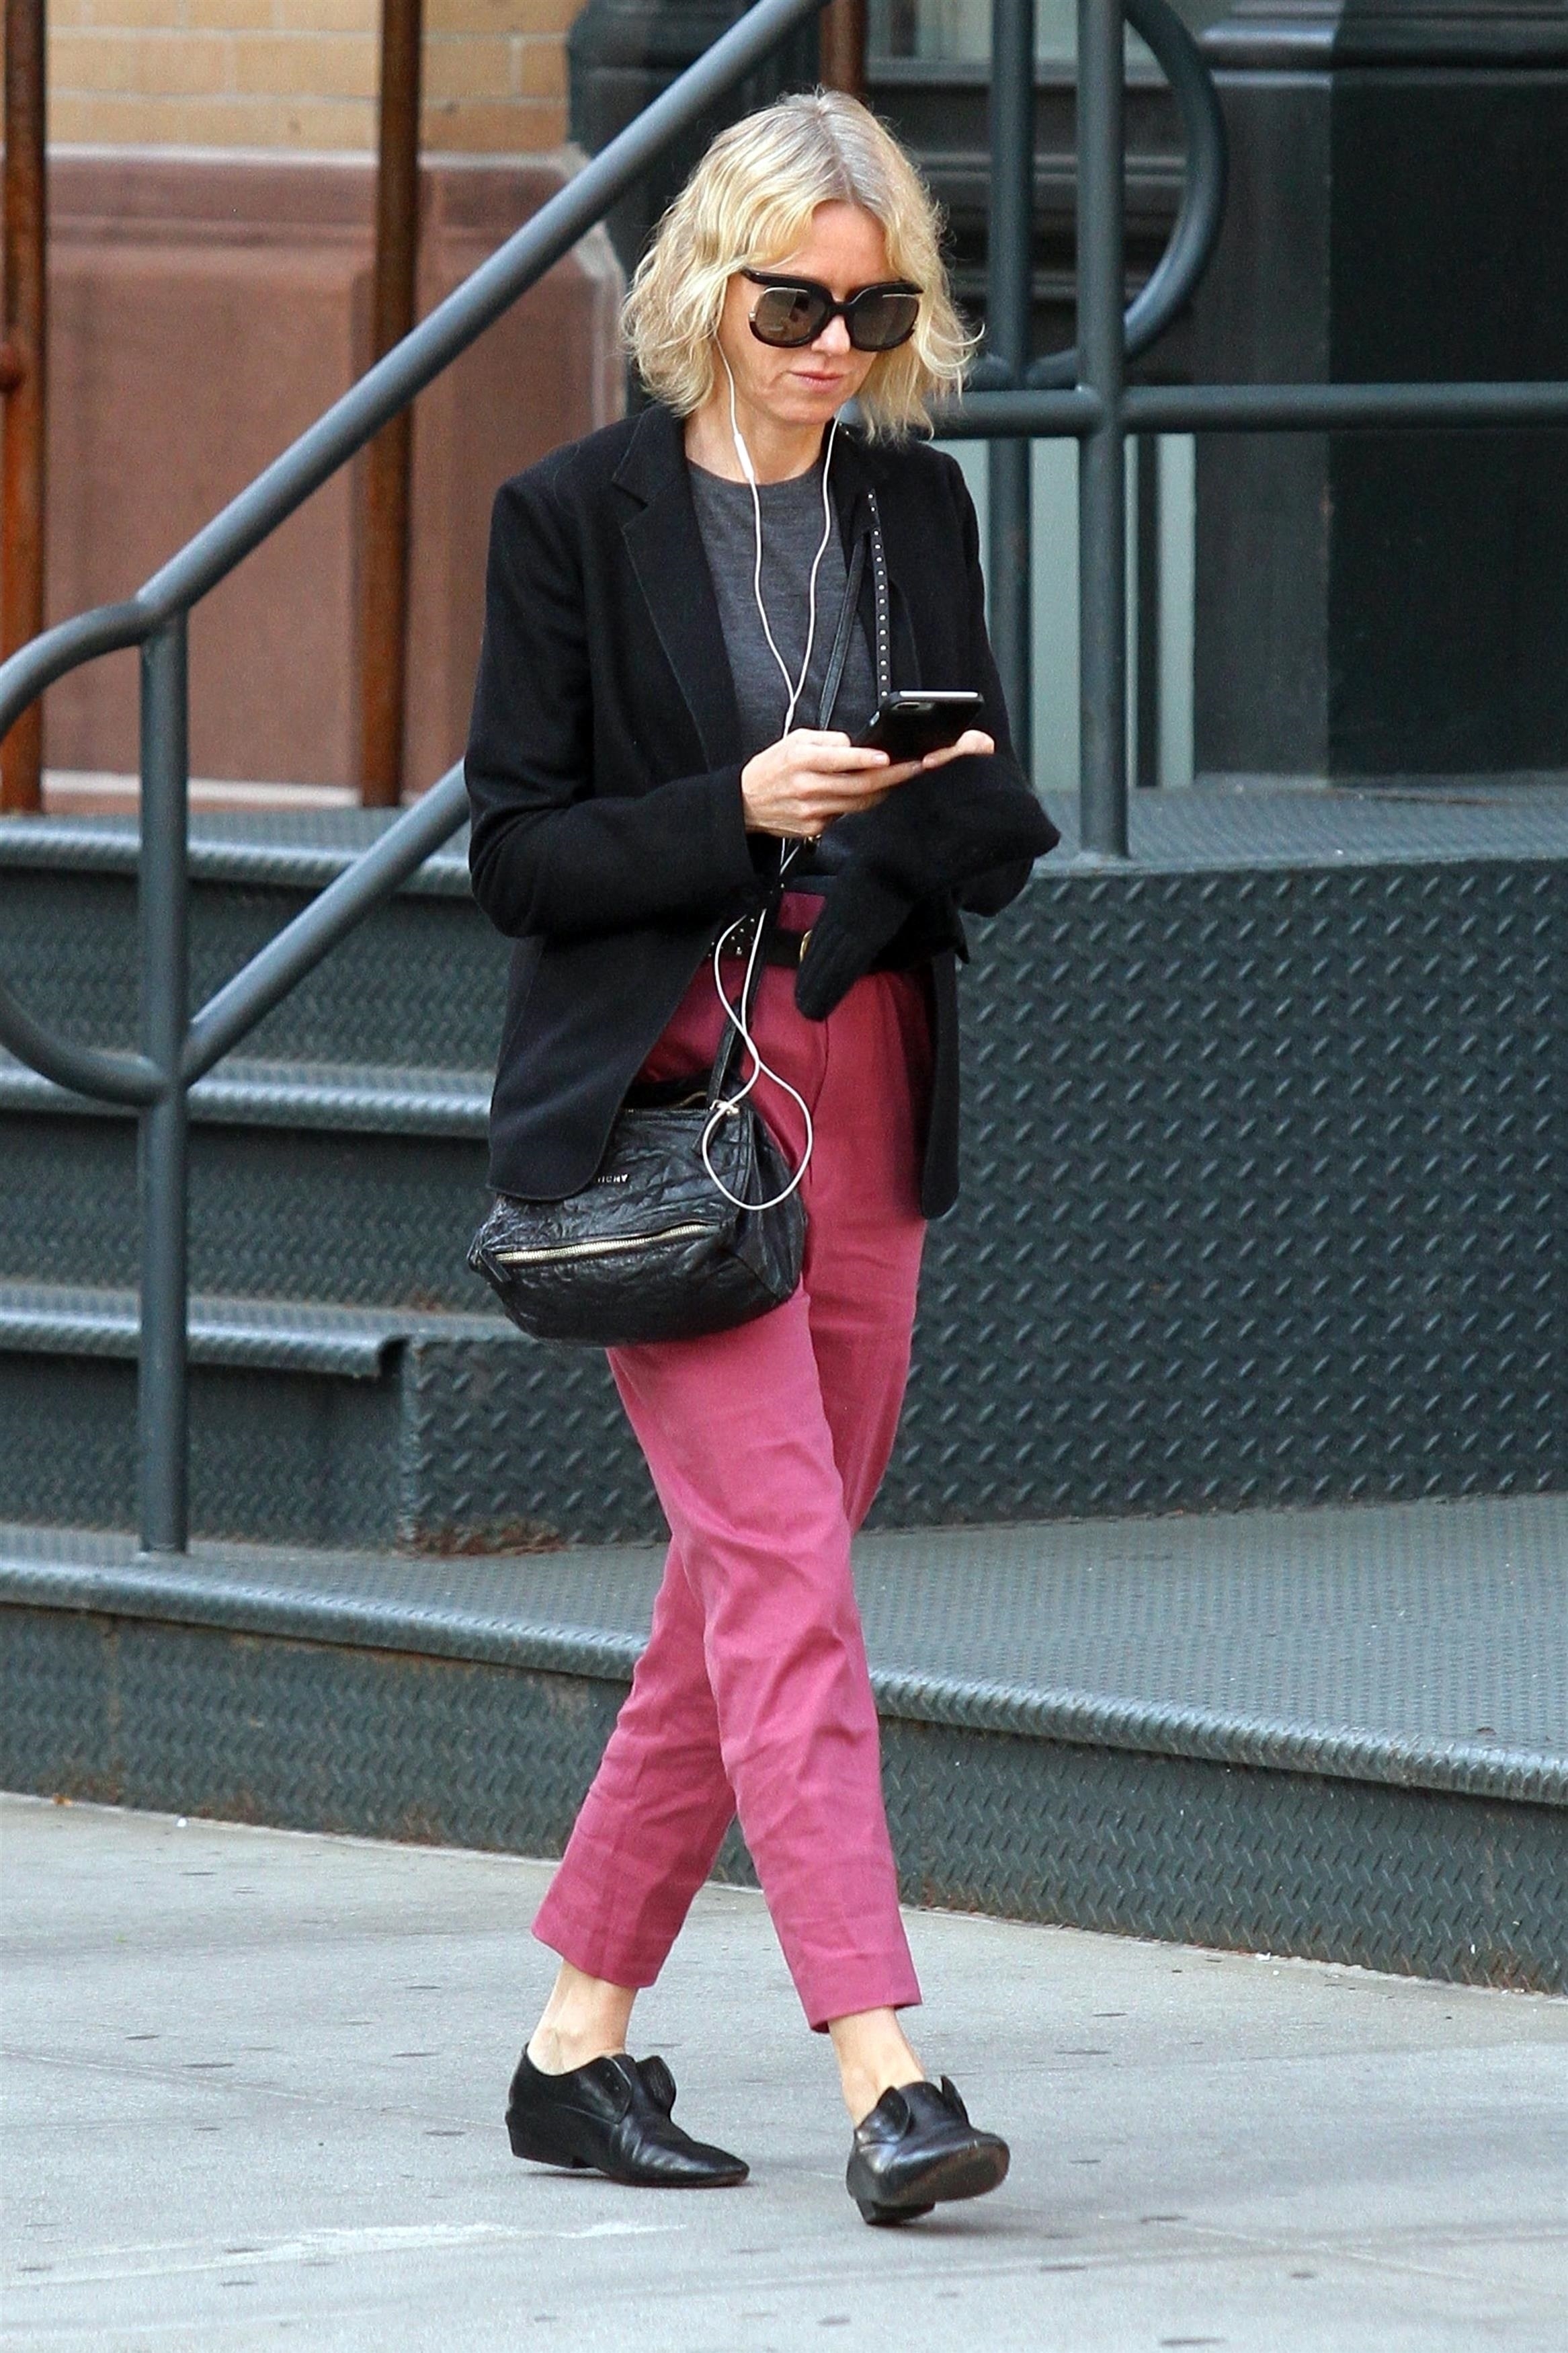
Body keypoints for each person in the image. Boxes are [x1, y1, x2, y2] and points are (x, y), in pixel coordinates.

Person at [464, 88, 1057, 2227]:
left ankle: (575, 2043)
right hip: (673, 1103)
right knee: (789, 1580)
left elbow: (988, 819)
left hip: (864, 1062)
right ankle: (884, 2065)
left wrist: (917, 816)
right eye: (797, 304)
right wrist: (739, 808)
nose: (833, 346)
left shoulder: (913, 506)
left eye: (873, 313)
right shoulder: (572, 517)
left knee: (740, 1589)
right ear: (711, 285)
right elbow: (518, 853)